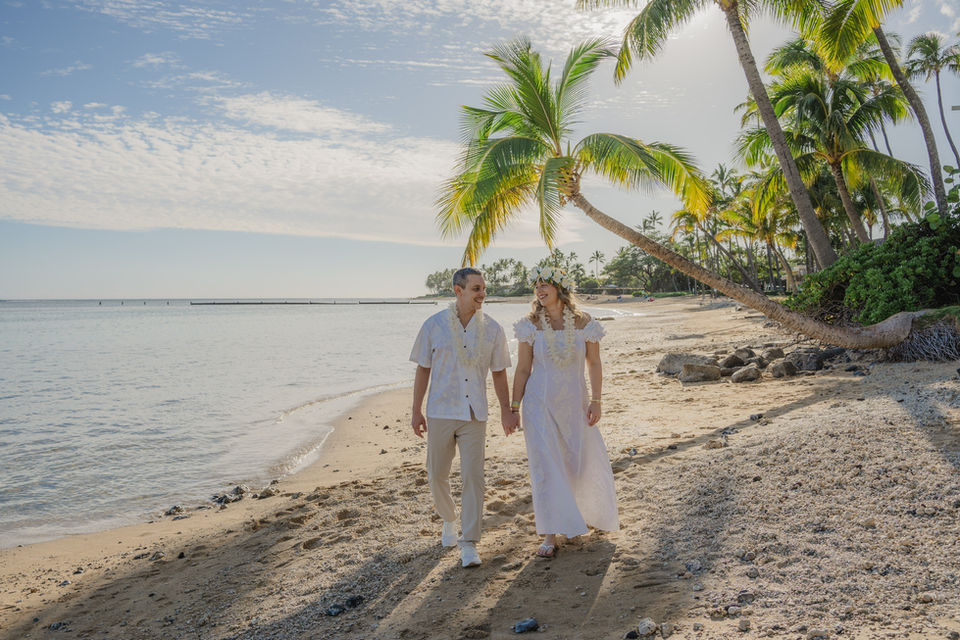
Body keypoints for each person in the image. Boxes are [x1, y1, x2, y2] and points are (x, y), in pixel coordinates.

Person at [410, 267, 518, 568]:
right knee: (436, 474)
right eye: (476, 289)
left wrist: (506, 411)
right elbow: (423, 369)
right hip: (441, 410)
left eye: (484, 288)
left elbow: (499, 374)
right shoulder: (434, 325)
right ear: (458, 291)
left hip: (474, 414)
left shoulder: (494, 329)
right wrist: (416, 410)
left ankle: (469, 542)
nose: (483, 294)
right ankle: (448, 519)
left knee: (474, 477)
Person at [511, 266, 619, 558]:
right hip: (539, 403)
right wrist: (513, 407)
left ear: (560, 288)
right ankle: (550, 533)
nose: (539, 290)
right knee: (545, 466)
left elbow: (594, 364)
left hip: (575, 402)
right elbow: (522, 368)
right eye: (536, 286)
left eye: (545, 284)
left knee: (575, 460)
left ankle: (577, 512)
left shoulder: (585, 322)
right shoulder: (529, 324)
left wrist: (596, 400)